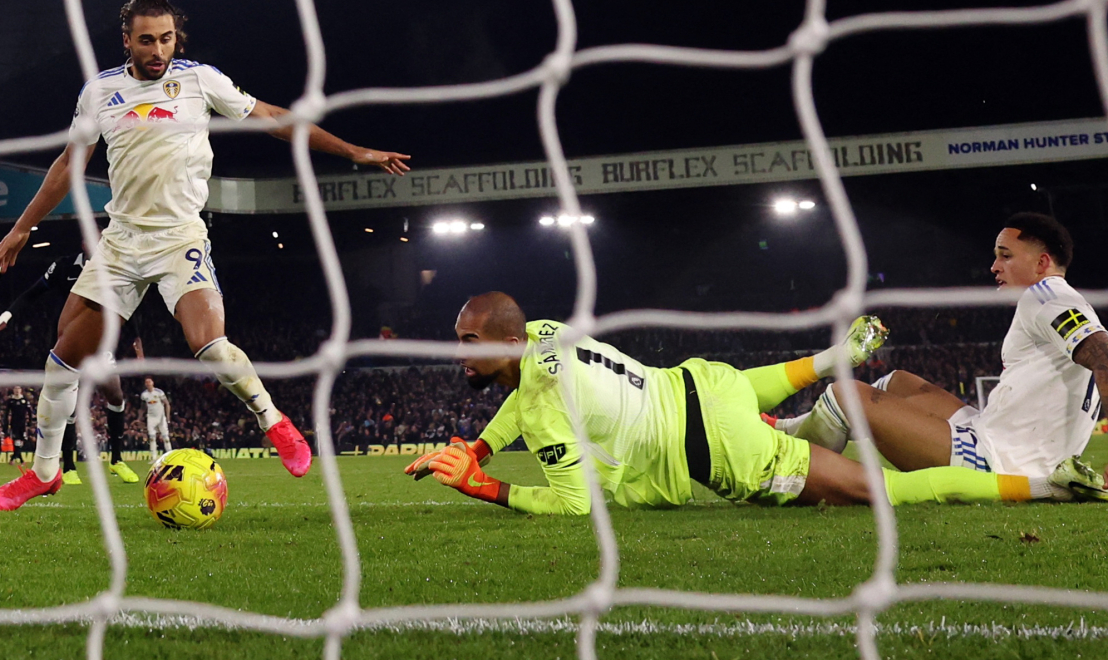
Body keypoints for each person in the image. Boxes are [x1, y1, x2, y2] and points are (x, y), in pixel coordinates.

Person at [0, 0, 411, 511]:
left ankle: (274, 422)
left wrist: (353, 151)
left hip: (179, 235)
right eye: (147, 39)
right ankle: (45, 473)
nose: (158, 48)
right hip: (120, 242)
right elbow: (68, 164)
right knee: (62, 359)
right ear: (127, 41)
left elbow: (275, 118)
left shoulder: (199, 79)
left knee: (208, 344)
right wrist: (22, 228)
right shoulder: (100, 92)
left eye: (166, 38)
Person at [404, 293, 1106, 514]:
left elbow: (575, 503)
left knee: (884, 491)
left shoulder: (546, 410)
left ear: (504, 340)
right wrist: (485, 443)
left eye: (468, 342)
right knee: (782, 387)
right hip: (704, 383)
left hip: (718, 451)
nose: (458, 352)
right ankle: (836, 363)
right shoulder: (546, 335)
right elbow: (520, 399)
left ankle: (1051, 488)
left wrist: (488, 485)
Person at [774, 213, 1108, 481]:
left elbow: (1103, 355)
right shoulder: (1063, 301)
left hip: (1002, 462)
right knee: (898, 381)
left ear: (1042, 263)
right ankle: (790, 427)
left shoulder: (1046, 296)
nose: (994, 267)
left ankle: (787, 469)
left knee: (844, 396)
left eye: (1005, 256)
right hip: (1001, 438)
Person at [0, 252, 139, 485]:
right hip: (68, 345)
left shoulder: (111, 266)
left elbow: (125, 305)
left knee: (116, 396)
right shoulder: (64, 266)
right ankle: (68, 466)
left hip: (100, 345)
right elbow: (33, 292)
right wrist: (7, 315)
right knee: (69, 405)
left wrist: (135, 339)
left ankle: (116, 459)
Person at [140, 377, 171, 459]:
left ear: (152, 383)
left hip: (161, 417)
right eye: (146, 382)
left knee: (165, 437)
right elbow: (143, 407)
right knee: (152, 437)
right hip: (151, 417)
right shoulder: (144, 395)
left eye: (149, 381)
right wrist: (139, 418)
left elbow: (167, 404)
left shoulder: (159, 392)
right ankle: (154, 457)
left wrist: (167, 418)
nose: (148, 383)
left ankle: (170, 454)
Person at [3, 385, 29, 464]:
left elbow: (29, 411)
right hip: (14, 423)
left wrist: (30, 421)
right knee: (16, 440)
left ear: (21, 390)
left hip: (22, 424)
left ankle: (15, 458)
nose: (17, 391)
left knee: (20, 442)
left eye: (18, 389)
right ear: (13, 390)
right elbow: (7, 413)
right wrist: (6, 423)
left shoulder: (24, 400)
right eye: (15, 389)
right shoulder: (11, 400)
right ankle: (18, 459)